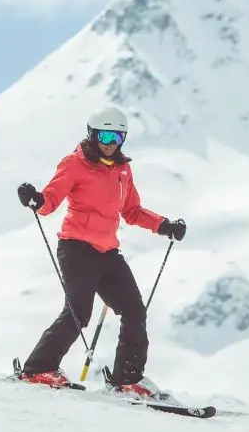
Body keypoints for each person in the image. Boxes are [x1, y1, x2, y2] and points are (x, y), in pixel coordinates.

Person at [14, 106, 186, 399]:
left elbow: (131, 211)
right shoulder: (74, 164)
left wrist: (163, 225)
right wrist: (36, 199)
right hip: (77, 248)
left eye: (117, 136)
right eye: (105, 135)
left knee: (134, 310)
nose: (111, 142)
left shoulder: (122, 169)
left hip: (108, 252)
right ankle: (36, 369)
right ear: (92, 134)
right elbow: (51, 201)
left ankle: (127, 379)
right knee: (79, 313)